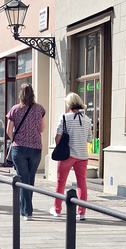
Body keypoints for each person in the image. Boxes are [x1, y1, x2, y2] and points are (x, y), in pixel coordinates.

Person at [6, 84, 46, 219]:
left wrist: (15, 140)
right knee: (30, 178)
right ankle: (26, 209)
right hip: (36, 148)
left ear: (20, 95)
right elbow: (42, 128)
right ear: (32, 94)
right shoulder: (39, 109)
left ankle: (26, 211)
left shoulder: (15, 109)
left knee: (23, 179)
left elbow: (8, 130)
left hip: (19, 148)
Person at [51, 93, 91, 222]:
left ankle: (57, 210)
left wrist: (59, 145)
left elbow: (58, 137)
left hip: (67, 155)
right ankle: (81, 212)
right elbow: (89, 139)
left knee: (61, 182)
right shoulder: (87, 119)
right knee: (81, 183)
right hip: (83, 155)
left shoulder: (64, 117)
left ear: (68, 105)